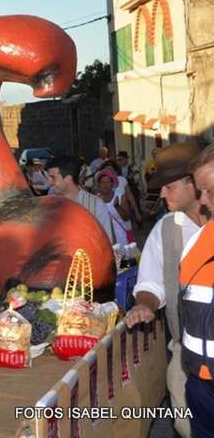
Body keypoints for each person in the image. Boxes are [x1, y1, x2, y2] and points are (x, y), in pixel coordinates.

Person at [124, 142, 205, 438]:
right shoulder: (166, 228)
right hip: (185, 353)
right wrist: (144, 304)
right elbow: (151, 283)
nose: (161, 193)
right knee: (187, 425)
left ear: (193, 184)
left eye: (169, 186)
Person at [177, 144, 214, 438]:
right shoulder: (197, 242)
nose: (202, 200)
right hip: (200, 386)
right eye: (200, 191)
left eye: (210, 191)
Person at [45, 156, 113, 243]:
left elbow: (107, 241)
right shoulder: (48, 205)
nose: (49, 182)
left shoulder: (96, 205)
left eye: (53, 177)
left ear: (68, 179)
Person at [96, 168, 133, 248]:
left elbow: (126, 218)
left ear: (112, 184)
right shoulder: (96, 199)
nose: (105, 185)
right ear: (99, 184)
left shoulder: (120, 197)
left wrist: (117, 206)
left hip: (121, 239)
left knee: (122, 256)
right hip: (105, 240)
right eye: (103, 182)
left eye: (108, 182)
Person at [116, 150, 144, 224]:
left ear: (125, 159)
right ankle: (128, 221)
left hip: (133, 189)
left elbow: (137, 175)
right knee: (125, 205)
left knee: (136, 205)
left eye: (120, 159)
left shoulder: (132, 167)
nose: (119, 161)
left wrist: (132, 177)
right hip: (123, 190)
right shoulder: (118, 168)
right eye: (118, 160)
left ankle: (139, 222)